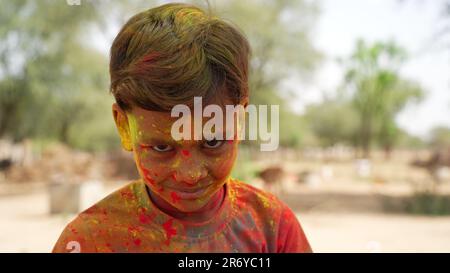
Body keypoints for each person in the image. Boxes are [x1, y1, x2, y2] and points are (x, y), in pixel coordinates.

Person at [52, 2, 311, 253]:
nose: (190, 174)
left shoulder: (274, 229)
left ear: (239, 121)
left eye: (212, 143)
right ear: (124, 127)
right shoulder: (90, 241)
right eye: (162, 147)